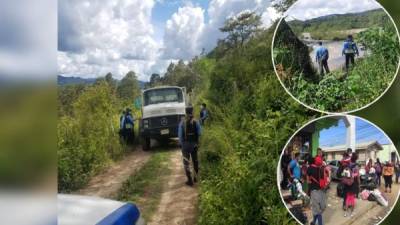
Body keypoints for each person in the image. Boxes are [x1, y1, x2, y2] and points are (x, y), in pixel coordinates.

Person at [178, 106, 201, 186]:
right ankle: (196, 178)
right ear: (192, 112)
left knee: (186, 163)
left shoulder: (182, 122)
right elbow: (199, 133)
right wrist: (198, 142)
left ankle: (190, 180)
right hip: (194, 145)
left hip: (185, 145)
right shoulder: (196, 121)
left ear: (186, 112)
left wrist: (181, 144)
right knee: (195, 161)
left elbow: (180, 136)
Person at [307, 157, 327, 225]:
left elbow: (308, 181)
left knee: (317, 210)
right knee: (319, 208)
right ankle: (313, 222)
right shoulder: (321, 168)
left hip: (314, 191)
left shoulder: (310, 168)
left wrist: (310, 181)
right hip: (322, 190)